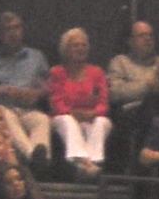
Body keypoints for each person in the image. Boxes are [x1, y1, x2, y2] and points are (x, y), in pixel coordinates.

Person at [0, 12, 52, 175]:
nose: (13, 33)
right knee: (5, 115)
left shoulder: (36, 56)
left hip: (28, 108)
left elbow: (48, 84)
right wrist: (4, 91)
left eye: (17, 28)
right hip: (1, 106)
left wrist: (36, 94)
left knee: (42, 120)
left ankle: (40, 159)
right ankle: (33, 158)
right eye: (8, 29)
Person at [48, 28, 111, 178]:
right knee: (67, 120)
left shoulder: (97, 73)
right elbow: (57, 103)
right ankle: (84, 162)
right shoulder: (57, 72)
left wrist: (93, 113)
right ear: (66, 49)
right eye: (75, 45)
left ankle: (91, 163)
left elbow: (103, 103)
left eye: (84, 45)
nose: (80, 49)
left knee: (102, 122)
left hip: (91, 118)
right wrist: (74, 114)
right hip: (64, 117)